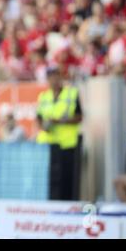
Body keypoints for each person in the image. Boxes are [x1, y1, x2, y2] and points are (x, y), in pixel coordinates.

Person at [36, 66, 83, 201]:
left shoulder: (71, 94)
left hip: (66, 144)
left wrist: (59, 121)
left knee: (67, 180)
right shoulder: (44, 96)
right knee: (49, 180)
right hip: (48, 144)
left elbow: (79, 117)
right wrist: (43, 127)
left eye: (56, 76)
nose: (54, 80)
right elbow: (38, 117)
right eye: (50, 77)